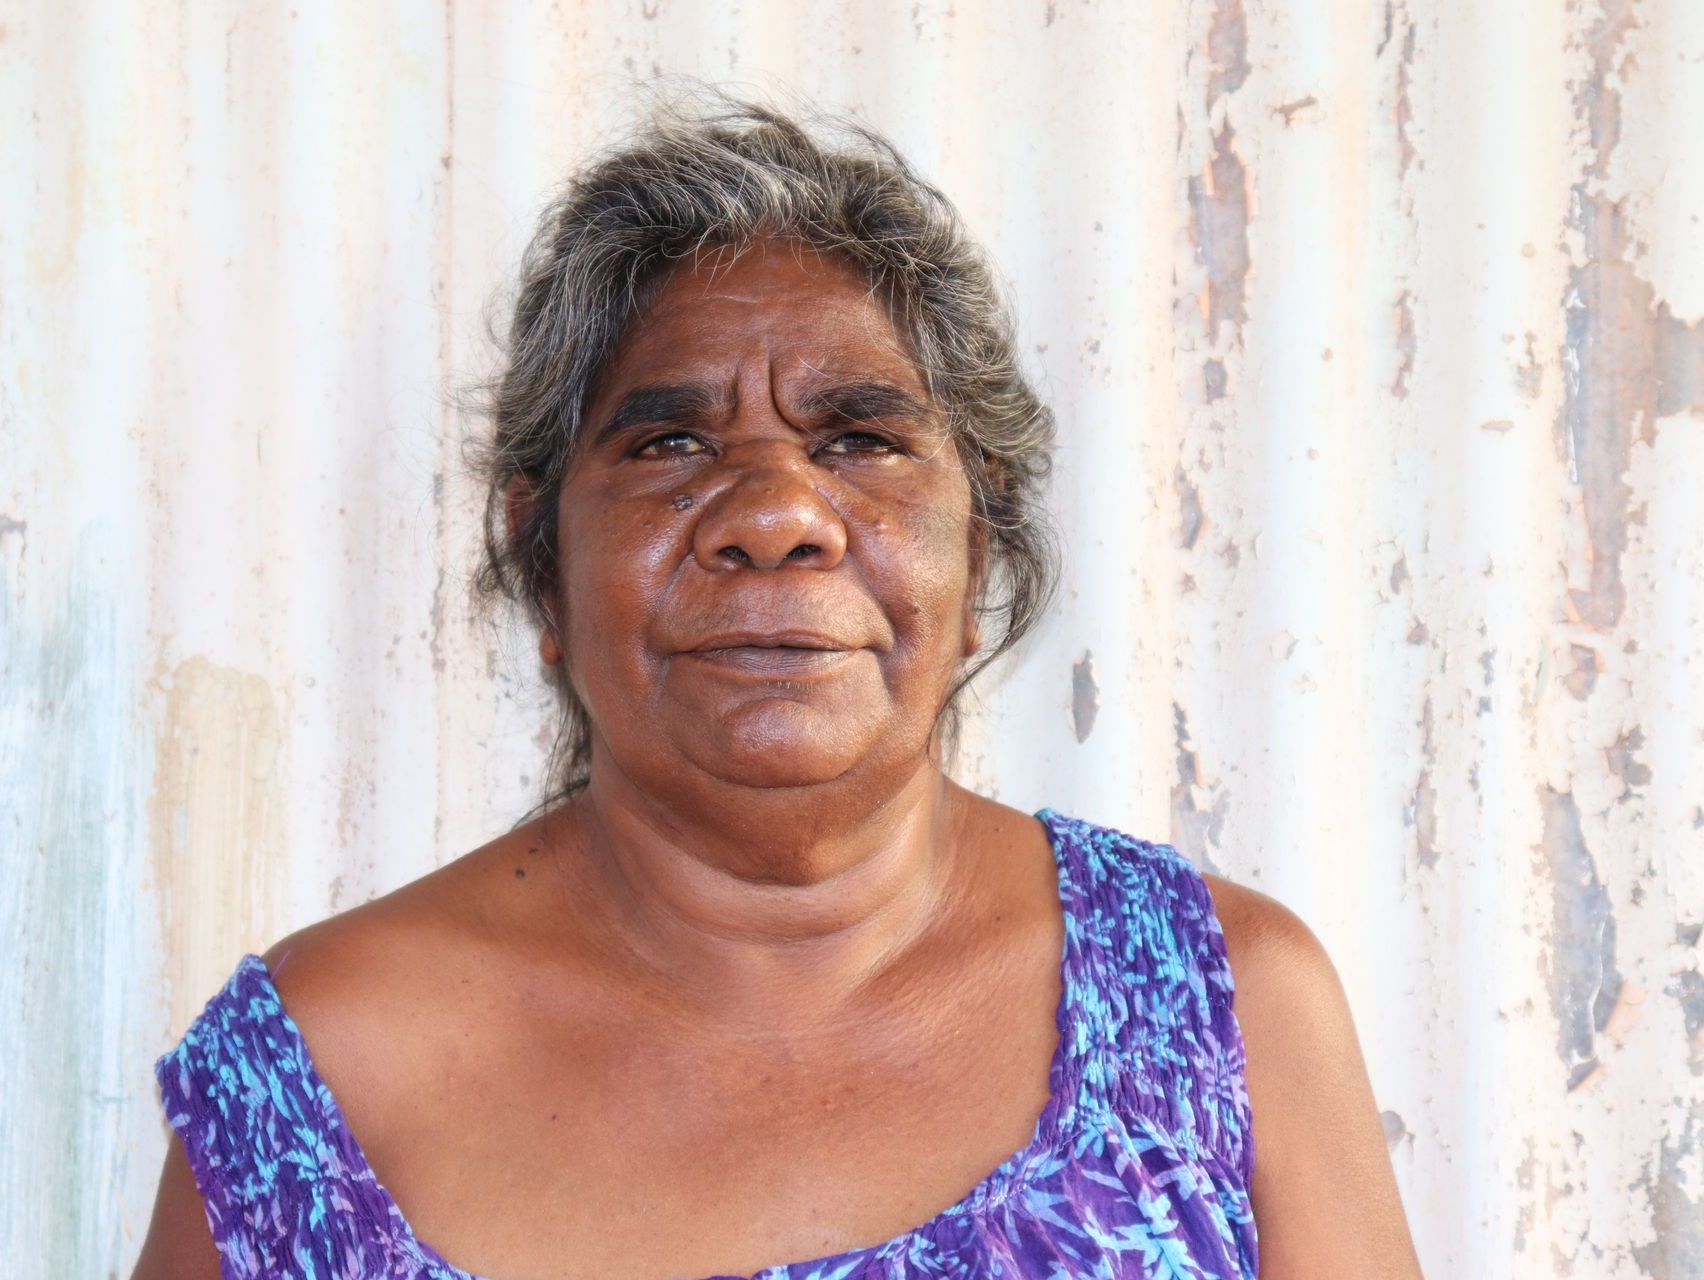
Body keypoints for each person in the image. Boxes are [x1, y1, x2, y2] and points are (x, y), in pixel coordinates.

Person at [131, 95, 1421, 1280]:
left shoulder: (1221, 1011)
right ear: (542, 567)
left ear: (978, 558)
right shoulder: (318, 1076)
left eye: (859, 439)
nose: (775, 514)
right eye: (670, 441)